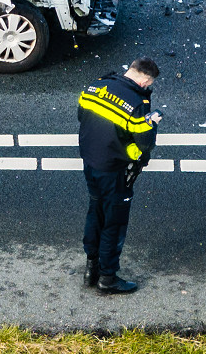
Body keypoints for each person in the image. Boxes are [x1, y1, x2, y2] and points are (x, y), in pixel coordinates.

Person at [77, 57, 162, 295]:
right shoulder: (136, 103)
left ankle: (91, 268)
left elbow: (82, 116)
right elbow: (144, 143)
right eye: (149, 84)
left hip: (90, 161)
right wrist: (152, 122)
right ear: (145, 81)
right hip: (114, 169)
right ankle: (108, 278)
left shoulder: (96, 86)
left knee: (95, 211)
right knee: (114, 222)